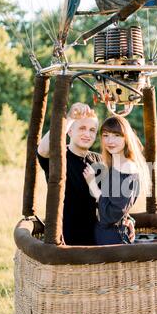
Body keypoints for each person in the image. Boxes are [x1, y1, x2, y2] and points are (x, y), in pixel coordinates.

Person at [37, 103, 135, 245]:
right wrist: (69, 117)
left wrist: (127, 218)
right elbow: (43, 150)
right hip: (66, 239)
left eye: (92, 130)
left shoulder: (100, 161)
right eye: (82, 128)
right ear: (69, 131)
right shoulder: (59, 157)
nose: (87, 134)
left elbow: (111, 201)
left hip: (97, 238)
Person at [83, 115, 149, 245]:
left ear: (126, 138)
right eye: (106, 135)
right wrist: (128, 218)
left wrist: (92, 184)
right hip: (106, 236)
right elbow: (120, 205)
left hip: (112, 240)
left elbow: (110, 215)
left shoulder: (127, 167)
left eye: (116, 135)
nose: (110, 141)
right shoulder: (115, 163)